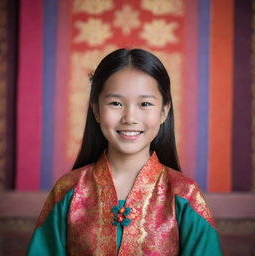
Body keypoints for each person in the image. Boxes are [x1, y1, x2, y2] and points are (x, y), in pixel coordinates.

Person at [27, 48, 222, 255]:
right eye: (116, 103)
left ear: (164, 111)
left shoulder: (184, 194)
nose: (129, 117)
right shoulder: (69, 191)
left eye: (145, 104)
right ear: (96, 109)